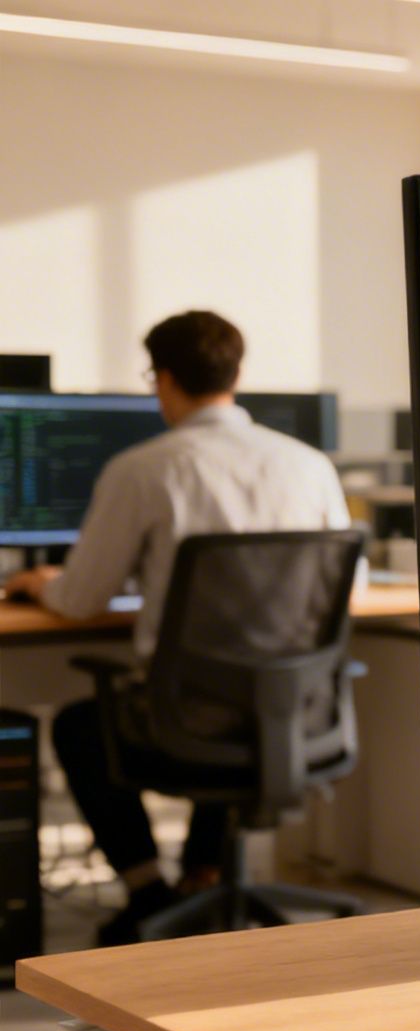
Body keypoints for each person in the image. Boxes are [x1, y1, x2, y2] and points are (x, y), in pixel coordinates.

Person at [3, 311, 352, 946]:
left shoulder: (145, 468)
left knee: (82, 725)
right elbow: (341, 597)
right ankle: (204, 876)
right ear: (236, 374)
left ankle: (150, 894)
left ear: (161, 379)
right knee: (227, 696)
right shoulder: (309, 466)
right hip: (296, 712)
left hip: (191, 719)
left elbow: (80, 601)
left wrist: (38, 584)